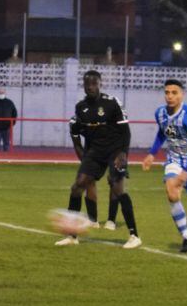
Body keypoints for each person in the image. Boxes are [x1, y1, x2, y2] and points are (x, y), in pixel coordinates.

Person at [56, 70, 140, 249]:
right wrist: (83, 157)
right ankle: (72, 236)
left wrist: (123, 153)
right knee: (77, 186)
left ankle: (134, 235)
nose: (91, 87)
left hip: (115, 151)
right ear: (84, 86)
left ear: (100, 84)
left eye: (94, 83)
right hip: (94, 153)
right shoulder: (81, 108)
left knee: (117, 187)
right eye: (87, 84)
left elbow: (126, 131)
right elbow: (76, 133)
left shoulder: (112, 103)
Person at [142, 79, 187, 253]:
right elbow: (162, 132)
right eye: (167, 92)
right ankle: (186, 238)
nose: (170, 96)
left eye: (174, 92)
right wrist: (152, 153)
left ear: (182, 95)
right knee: (172, 193)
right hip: (174, 157)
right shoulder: (160, 114)